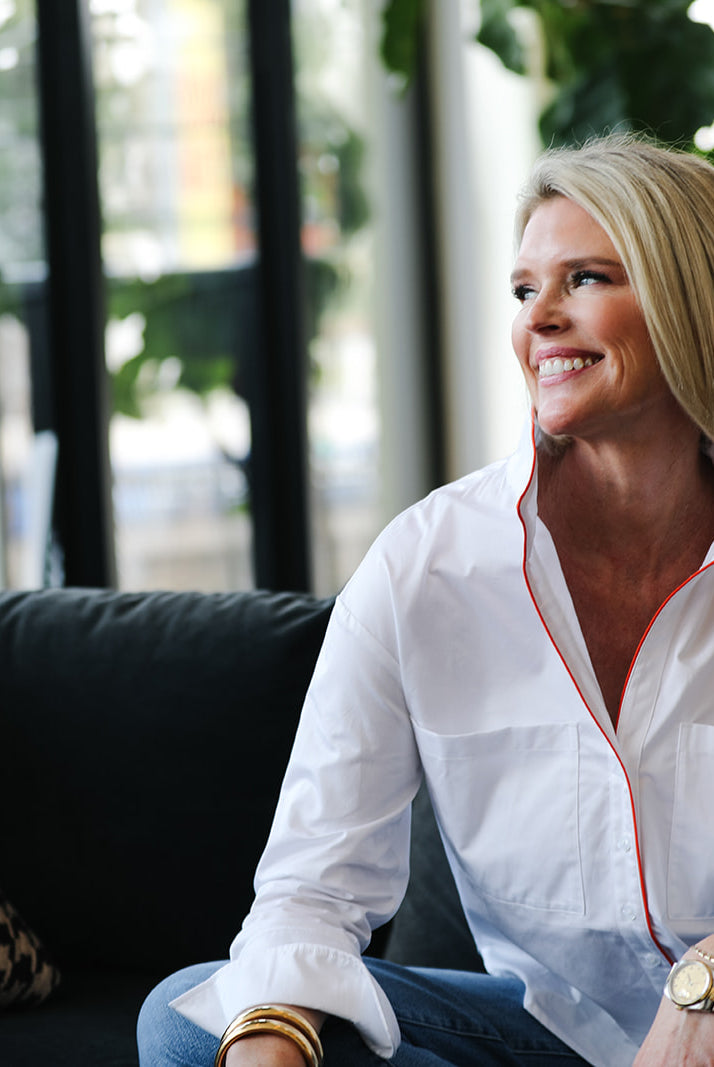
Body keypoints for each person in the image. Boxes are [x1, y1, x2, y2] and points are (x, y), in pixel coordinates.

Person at [137, 134, 714, 1067]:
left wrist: (708, 981)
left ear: (692, 297)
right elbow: (313, 887)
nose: (542, 321)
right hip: (553, 1038)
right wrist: (267, 1041)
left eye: (587, 279)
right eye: (526, 291)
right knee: (189, 1019)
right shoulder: (426, 565)